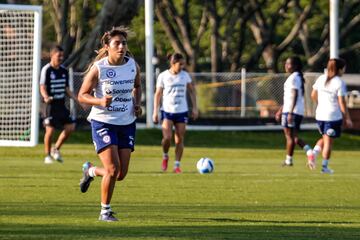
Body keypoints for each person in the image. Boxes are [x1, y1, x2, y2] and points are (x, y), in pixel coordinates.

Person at [77, 27, 142, 222]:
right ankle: (105, 211)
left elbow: (137, 86)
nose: (121, 46)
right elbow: (82, 95)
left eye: (124, 43)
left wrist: (137, 104)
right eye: (117, 43)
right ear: (107, 47)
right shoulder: (99, 68)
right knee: (113, 170)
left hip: (127, 123)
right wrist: (99, 101)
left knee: (120, 174)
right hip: (103, 122)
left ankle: (90, 170)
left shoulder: (132, 65)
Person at [153, 53, 198, 173]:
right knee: (167, 138)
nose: (182, 66)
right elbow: (157, 94)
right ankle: (165, 155)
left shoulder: (185, 76)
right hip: (167, 111)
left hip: (182, 111)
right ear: (173, 63)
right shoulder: (163, 76)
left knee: (179, 139)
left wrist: (194, 108)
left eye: (183, 64)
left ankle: (177, 165)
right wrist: (155, 112)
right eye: (180, 64)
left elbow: (192, 91)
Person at [311, 58, 353, 174]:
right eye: (343, 68)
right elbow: (342, 102)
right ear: (339, 69)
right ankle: (324, 167)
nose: (344, 71)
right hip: (333, 116)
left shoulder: (320, 78)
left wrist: (321, 104)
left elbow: (313, 95)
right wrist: (347, 118)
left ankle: (313, 153)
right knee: (329, 142)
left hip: (320, 115)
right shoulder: (339, 82)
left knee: (325, 137)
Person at [39, 45, 78, 164]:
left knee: (70, 127)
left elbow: (66, 89)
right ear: (52, 55)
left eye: (62, 55)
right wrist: (45, 96)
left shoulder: (64, 70)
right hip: (49, 105)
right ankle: (47, 156)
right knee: (50, 131)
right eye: (58, 55)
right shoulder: (47, 69)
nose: (61, 57)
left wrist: (77, 100)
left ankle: (55, 149)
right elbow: (42, 86)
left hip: (61, 104)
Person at [275, 56, 315, 169]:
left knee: (290, 137)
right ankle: (309, 152)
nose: (286, 66)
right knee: (293, 137)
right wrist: (281, 110)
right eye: (286, 64)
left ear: (296, 66)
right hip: (290, 110)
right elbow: (289, 97)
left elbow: (295, 95)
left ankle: (289, 160)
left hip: (292, 111)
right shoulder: (295, 77)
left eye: (289, 64)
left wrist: (290, 112)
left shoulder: (294, 77)